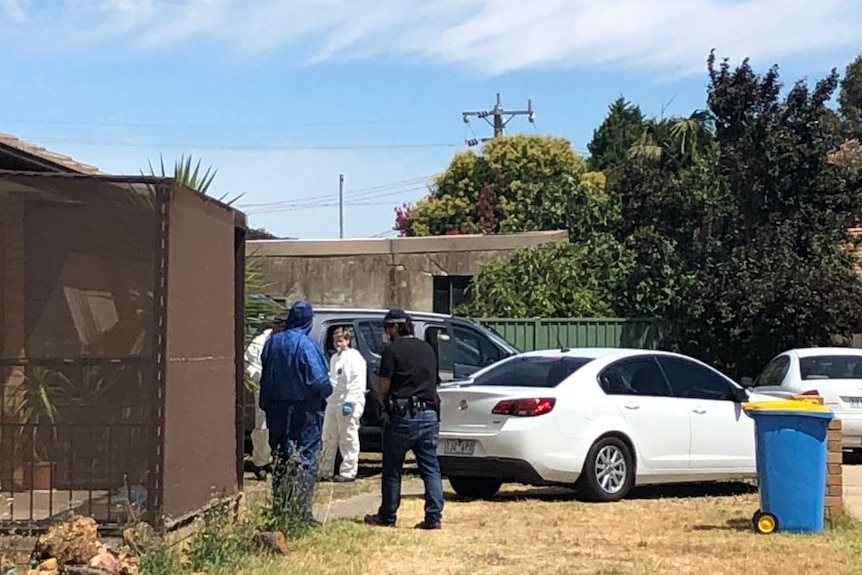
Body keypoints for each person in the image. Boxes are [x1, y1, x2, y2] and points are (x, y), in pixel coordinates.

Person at [364, 309, 444, 530]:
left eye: (388, 328)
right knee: (430, 468)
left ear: (396, 327)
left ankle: (388, 516)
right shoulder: (427, 348)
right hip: (429, 414)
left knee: (392, 468)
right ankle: (433, 517)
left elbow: (383, 386)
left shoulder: (392, 351)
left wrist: (379, 404)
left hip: (402, 416)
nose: (386, 332)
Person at [259, 300, 332, 526]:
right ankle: (299, 513)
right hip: (302, 411)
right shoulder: (306, 345)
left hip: (275, 409)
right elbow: (319, 380)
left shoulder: (272, 343)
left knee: (280, 457)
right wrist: (326, 394)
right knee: (304, 459)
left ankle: (280, 508)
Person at [319, 327, 367, 482]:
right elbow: (334, 380)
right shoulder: (335, 359)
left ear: (348, 340)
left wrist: (350, 402)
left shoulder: (355, 357)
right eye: (336, 340)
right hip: (333, 401)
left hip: (348, 401)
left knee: (348, 438)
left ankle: (348, 472)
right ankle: (325, 470)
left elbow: (357, 382)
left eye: (341, 340)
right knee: (328, 437)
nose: (338, 343)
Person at [244, 316, 284, 480]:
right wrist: (264, 377)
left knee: (282, 426)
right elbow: (248, 366)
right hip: (264, 388)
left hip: (283, 390)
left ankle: (279, 461)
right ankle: (261, 463)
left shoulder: (285, 341)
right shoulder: (259, 343)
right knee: (262, 427)